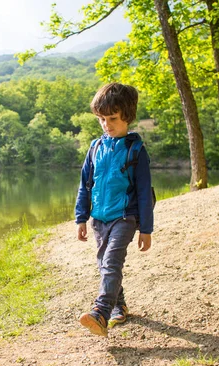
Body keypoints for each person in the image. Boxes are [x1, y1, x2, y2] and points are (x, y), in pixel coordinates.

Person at [75, 82, 154, 337]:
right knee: (105, 265)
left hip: (125, 217)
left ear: (127, 117)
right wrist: (81, 218)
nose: (106, 125)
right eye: (101, 119)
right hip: (100, 218)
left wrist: (146, 229)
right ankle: (120, 305)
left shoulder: (136, 151)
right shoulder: (95, 148)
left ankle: (101, 312)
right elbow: (85, 185)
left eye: (112, 119)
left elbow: (144, 192)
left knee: (111, 262)